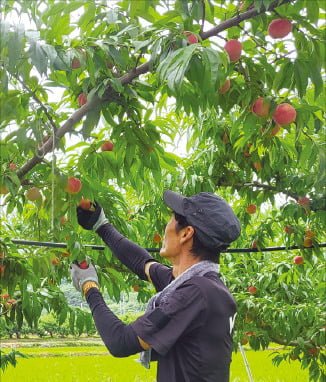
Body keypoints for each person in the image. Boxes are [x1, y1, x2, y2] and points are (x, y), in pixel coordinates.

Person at [69, 190, 241, 382]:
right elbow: (142, 264)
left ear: (186, 233)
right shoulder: (203, 286)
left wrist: (88, 285)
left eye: (171, 219)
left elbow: (121, 341)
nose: (166, 227)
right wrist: (100, 224)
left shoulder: (195, 293)